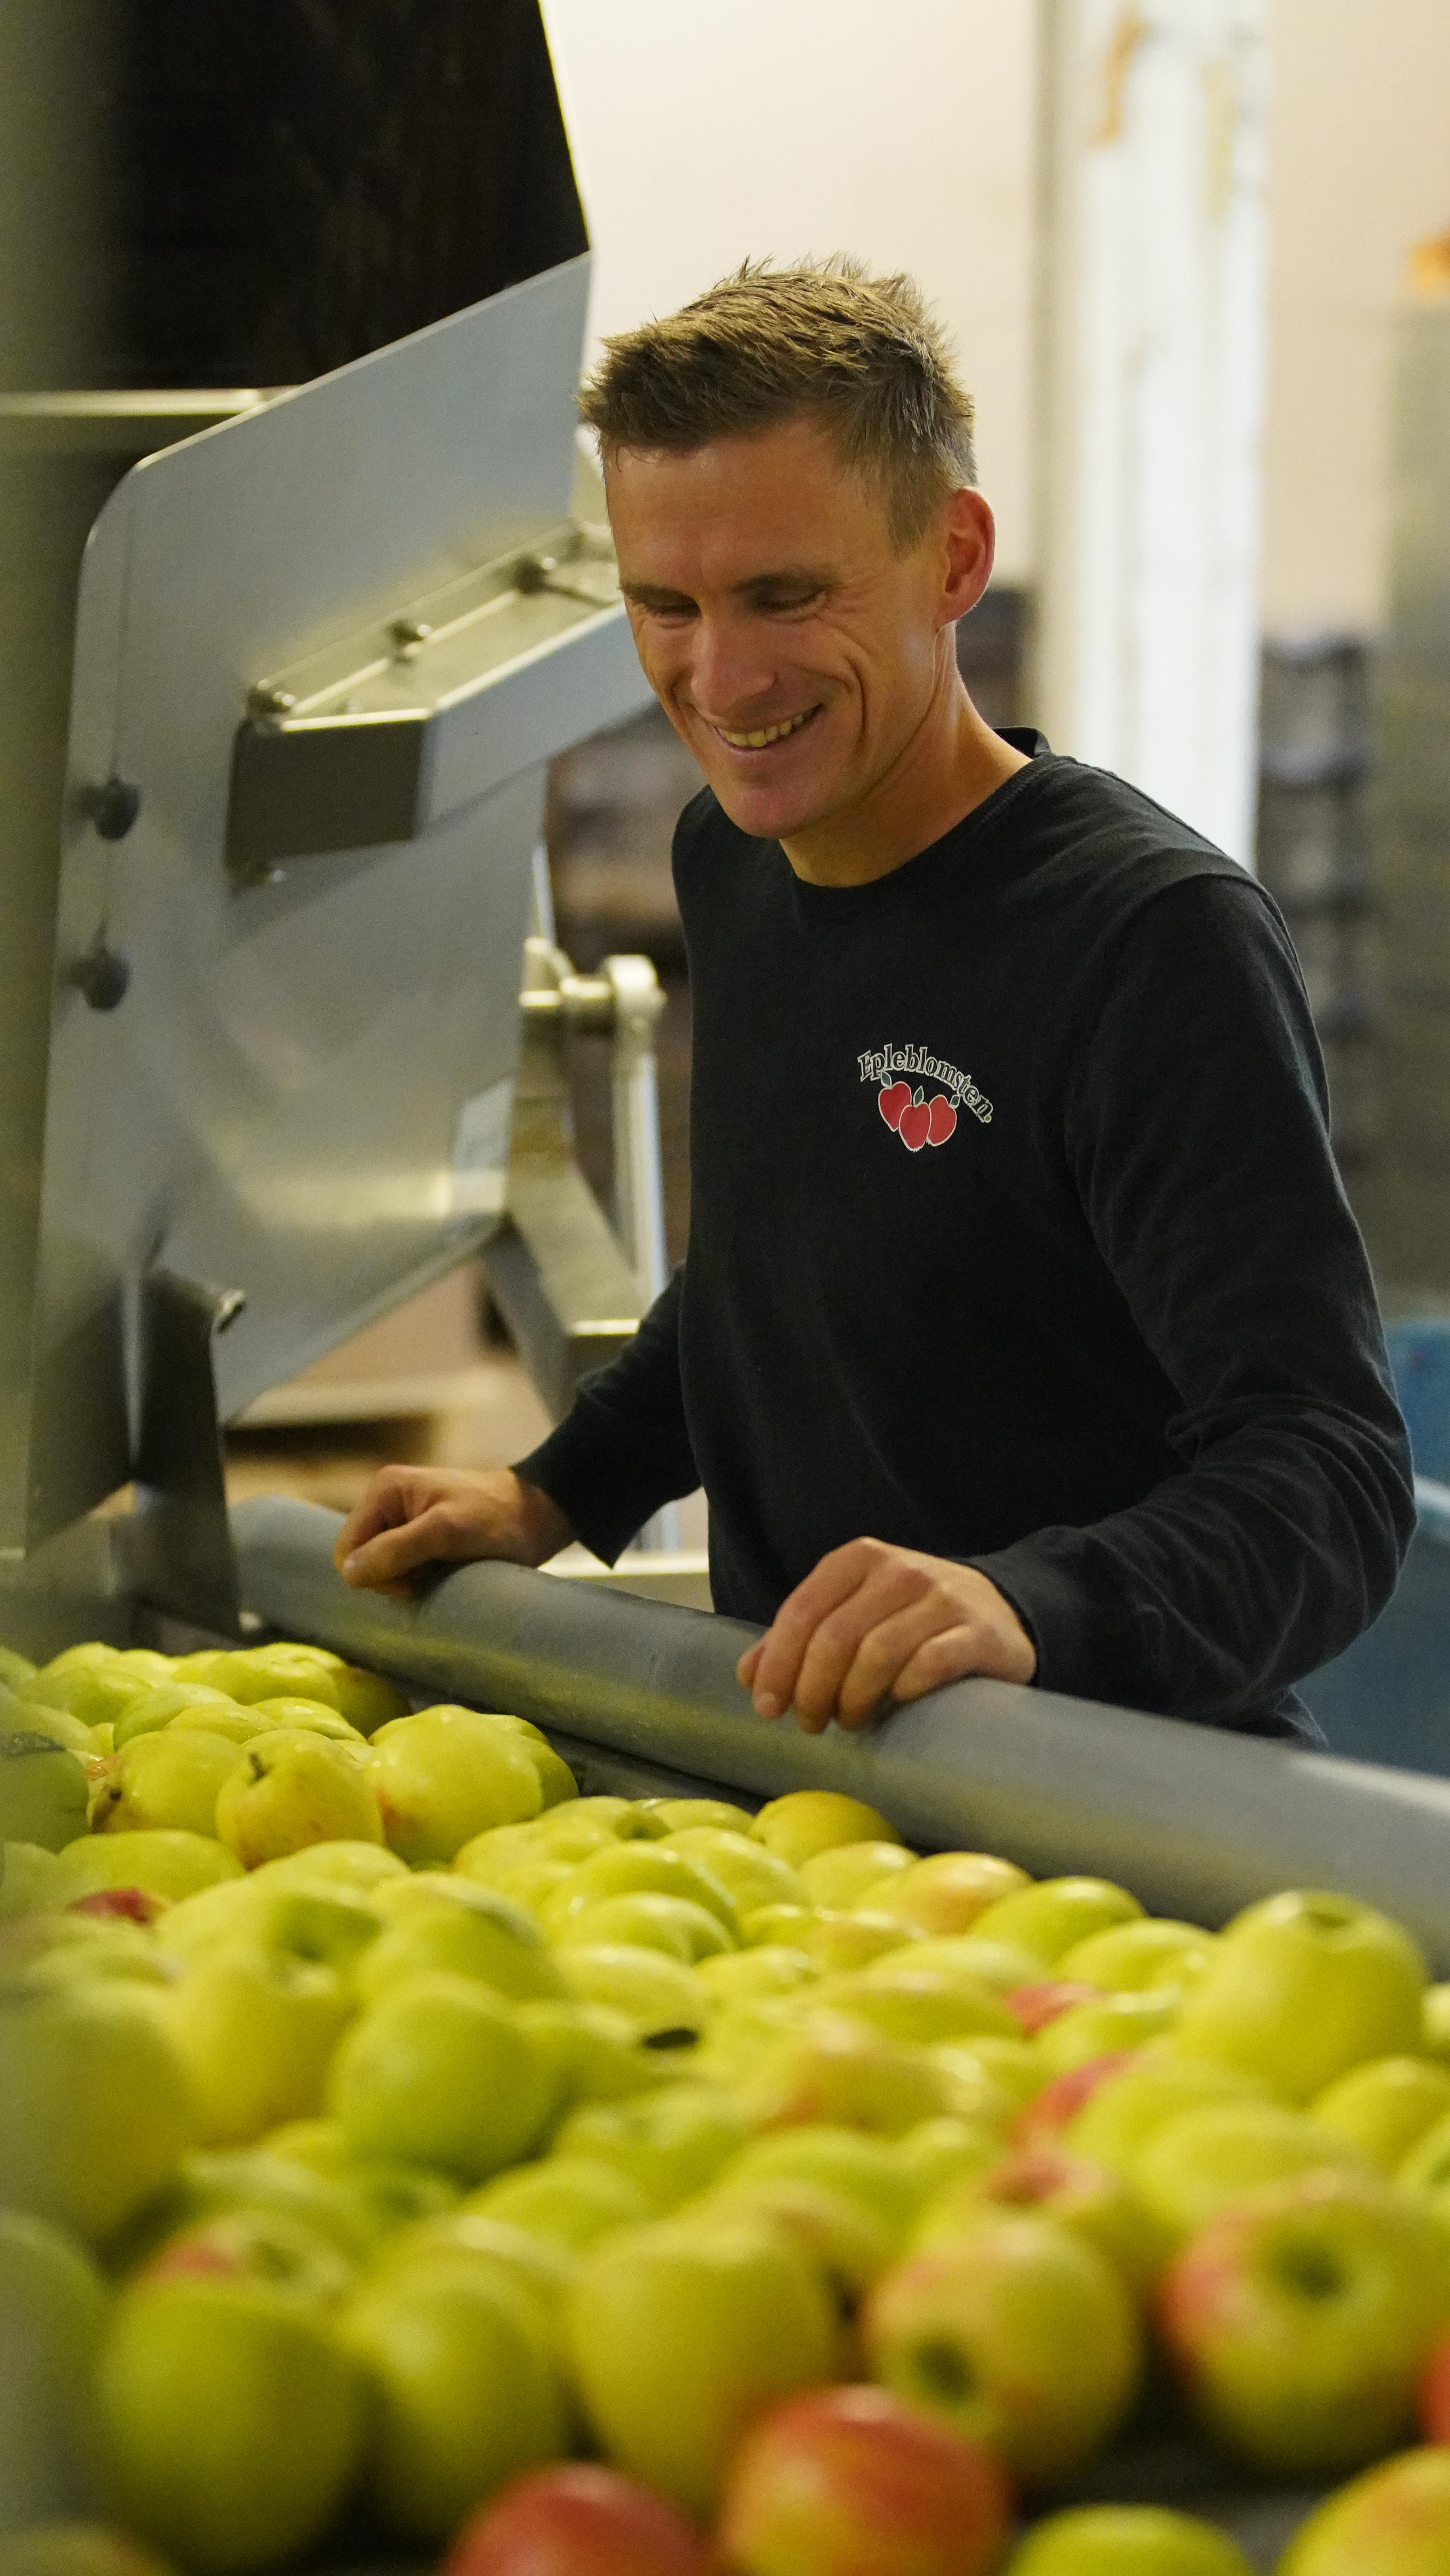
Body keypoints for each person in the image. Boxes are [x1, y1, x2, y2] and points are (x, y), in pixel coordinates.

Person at [336, 257, 1413, 1746]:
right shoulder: (735, 855)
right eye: (666, 602)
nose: (721, 673)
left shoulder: (1148, 941)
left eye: (787, 594)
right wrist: (557, 1486)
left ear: (954, 558)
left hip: (1113, 1813)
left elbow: (1330, 1470)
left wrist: (1031, 1603)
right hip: (831, 1797)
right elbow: (770, 1274)